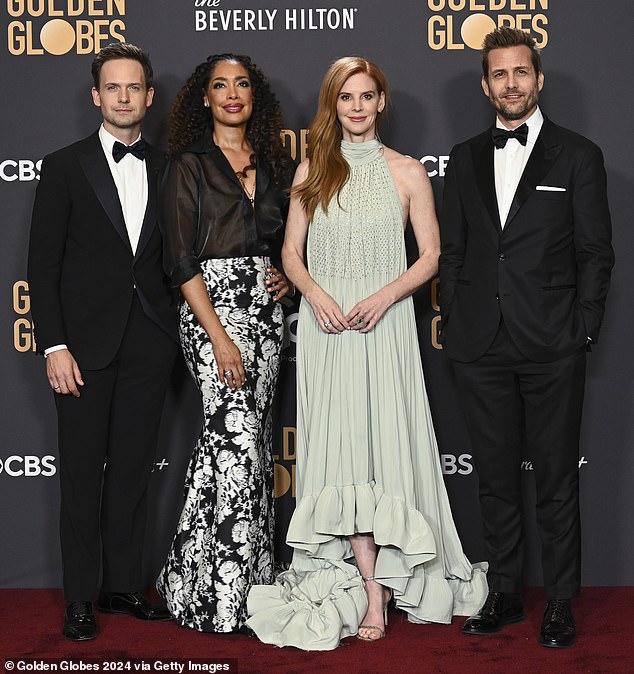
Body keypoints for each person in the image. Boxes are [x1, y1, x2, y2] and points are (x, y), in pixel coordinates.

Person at [246, 56, 487, 650]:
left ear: (382, 102)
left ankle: (393, 578)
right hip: (329, 333)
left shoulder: (408, 173)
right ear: (333, 105)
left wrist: (383, 297)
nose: (356, 107)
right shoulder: (311, 171)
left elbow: (430, 256)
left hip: (387, 326)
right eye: (345, 98)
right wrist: (318, 299)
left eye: (366, 96)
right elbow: (292, 256)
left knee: (385, 450)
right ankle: (372, 593)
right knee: (345, 454)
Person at [439, 27, 613, 649]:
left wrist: (583, 326)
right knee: (493, 479)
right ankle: (506, 592)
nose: (510, 84)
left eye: (521, 73)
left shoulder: (578, 155)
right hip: (480, 345)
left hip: (552, 343)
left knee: (558, 479)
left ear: (538, 80)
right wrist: (455, 318)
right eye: (499, 75)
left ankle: (561, 602)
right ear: (486, 86)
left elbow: (596, 251)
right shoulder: (461, 158)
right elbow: (453, 252)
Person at [27, 43, 178, 641]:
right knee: (82, 477)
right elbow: (43, 265)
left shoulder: (169, 167)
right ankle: (78, 599)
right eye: (111, 87)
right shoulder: (63, 165)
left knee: (133, 475)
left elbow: (188, 255)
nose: (122, 97)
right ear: (97, 96)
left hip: (150, 344)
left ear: (148, 96)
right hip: (81, 349)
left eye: (132, 87)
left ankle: (120, 586)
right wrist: (53, 344)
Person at [156, 54, 293, 633]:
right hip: (209, 308)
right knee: (234, 439)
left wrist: (288, 273)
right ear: (204, 99)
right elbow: (180, 257)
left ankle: (213, 583)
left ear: (253, 96)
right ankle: (218, 598)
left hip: (267, 311)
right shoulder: (186, 164)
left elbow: (289, 238)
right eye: (220, 86)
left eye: (241, 84)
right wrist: (218, 336)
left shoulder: (277, 162)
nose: (232, 94)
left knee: (247, 443)